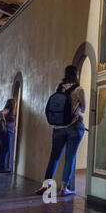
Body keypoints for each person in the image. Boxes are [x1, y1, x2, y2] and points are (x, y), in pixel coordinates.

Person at [36, 65, 86, 197]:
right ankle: (64, 187)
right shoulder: (79, 89)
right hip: (74, 127)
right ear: (76, 74)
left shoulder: (59, 88)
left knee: (54, 157)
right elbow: (84, 108)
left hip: (57, 128)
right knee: (70, 157)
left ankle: (45, 186)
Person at [0, 98, 17, 173]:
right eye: (15, 103)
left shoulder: (11, 112)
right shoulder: (8, 110)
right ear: (12, 104)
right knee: (5, 149)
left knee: (2, 149)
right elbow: (0, 113)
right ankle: (1, 167)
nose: (16, 105)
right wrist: (4, 121)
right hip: (6, 132)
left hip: (8, 132)